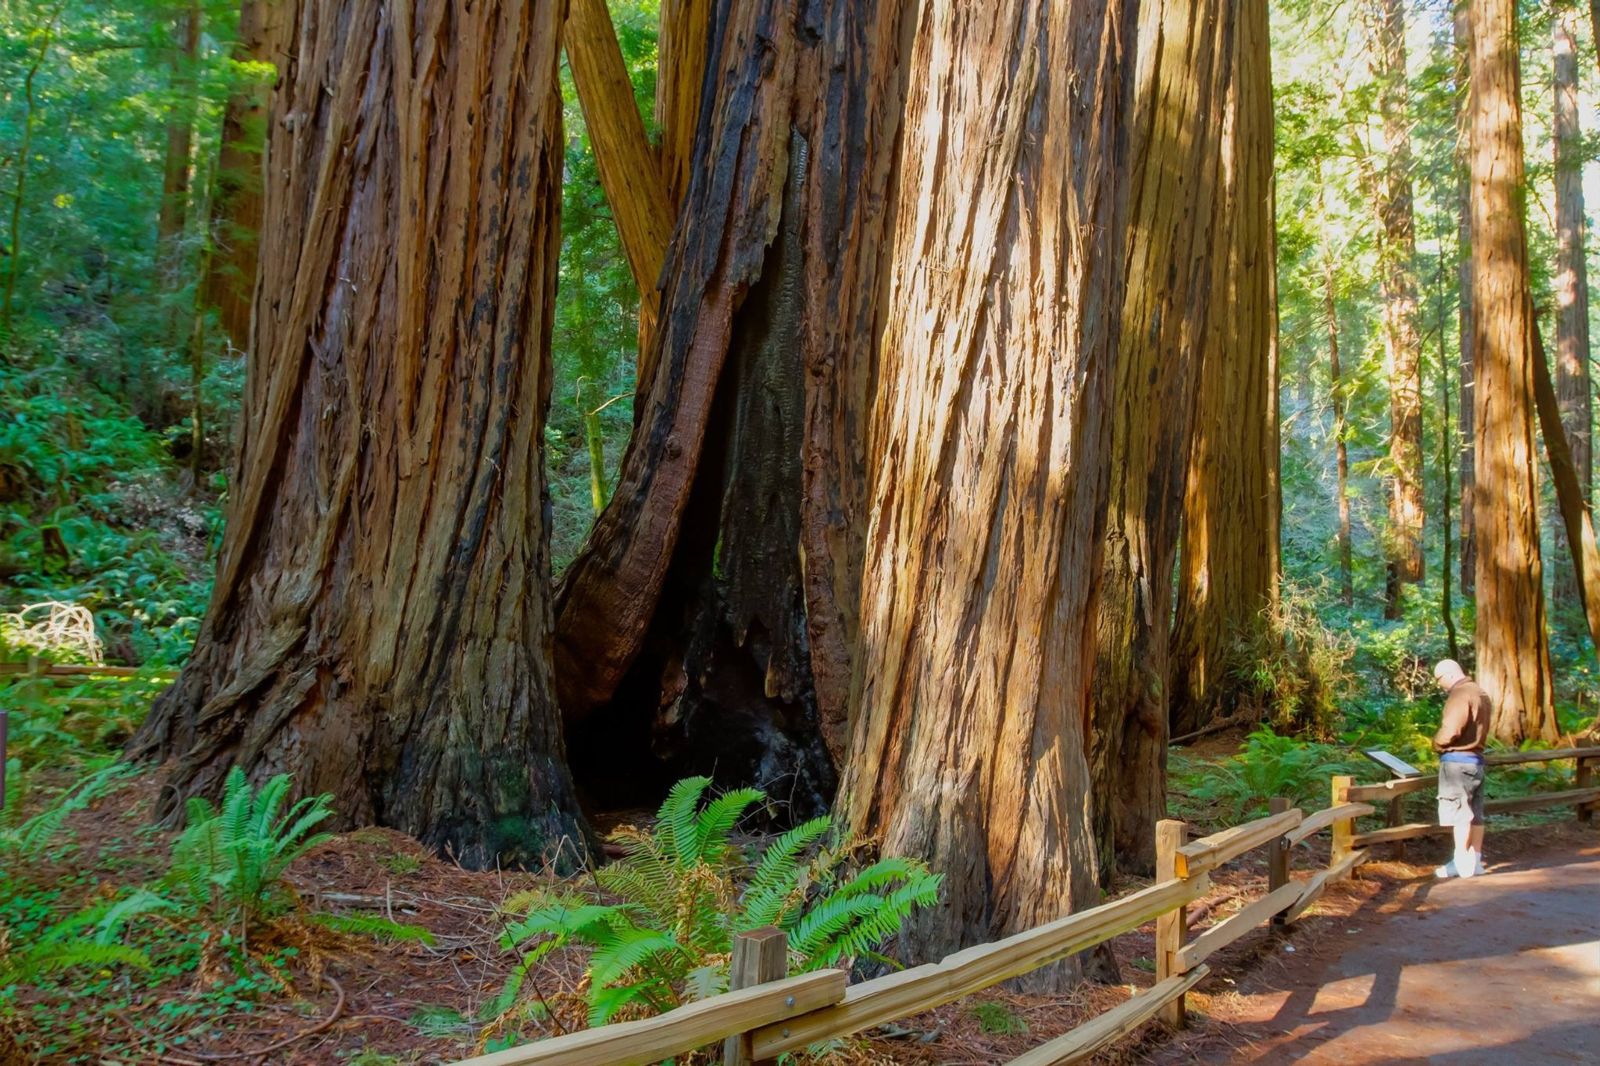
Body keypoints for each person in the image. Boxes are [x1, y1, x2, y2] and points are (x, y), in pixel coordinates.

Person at [1431, 659, 1490, 878]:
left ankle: (1461, 861)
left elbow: (1451, 730)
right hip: (1476, 760)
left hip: (1457, 762)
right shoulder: (1480, 692)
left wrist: (1436, 743)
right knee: (1476, 813)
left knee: (1459, 813)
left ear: (1448, 674)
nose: (1440, 685)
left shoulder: (1460, 695)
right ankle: (1475, 860)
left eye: (1439, 680)